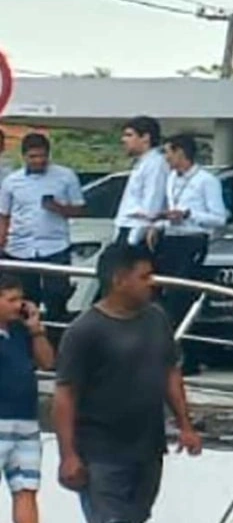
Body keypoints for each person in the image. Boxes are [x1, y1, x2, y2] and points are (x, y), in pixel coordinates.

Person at [53, 243, 202, 523]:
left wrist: (186, 425)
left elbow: (171, 372)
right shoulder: (84, 330)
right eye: (144, 277)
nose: (152, 284)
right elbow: (65, 394)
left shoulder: (157, 318)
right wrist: (68, 454)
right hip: (101, 451)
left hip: (147, 446)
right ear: (119, 280)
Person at [148, 134, 228, 376]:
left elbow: (219, 217)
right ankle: (172, 352)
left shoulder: (206, 181)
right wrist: (159, 224)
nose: (166, 158)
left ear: (181, 153)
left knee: (182, 297)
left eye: (169, 153)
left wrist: (189, 214)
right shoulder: (172, 178)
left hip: (193, 240)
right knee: (163, 296)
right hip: (171, 239)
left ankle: (189, 356)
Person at [0, 133, 85, 320]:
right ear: (24, 157)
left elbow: (80, 210)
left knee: (57, 296)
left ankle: (54, 337)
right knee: (24, 302)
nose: (38, 161)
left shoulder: (65, 176)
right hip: (20, 248)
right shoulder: (11, 181)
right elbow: (4, 216)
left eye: (42, 156)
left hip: (55, 246)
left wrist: (58, 208)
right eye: (33, 157)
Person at [0, 276, 55, 523]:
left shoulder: (21, 331)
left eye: (20, 299)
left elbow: (47, 362)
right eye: (11, 300)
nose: (17, 305)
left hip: (26, 421)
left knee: (26, 488)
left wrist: (36, 328)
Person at [113, 116, 168, 247]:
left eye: (129, 135)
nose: (124, 140)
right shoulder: (142, 163)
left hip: (135, 230)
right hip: (127, 226)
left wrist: (135, 238)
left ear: (145, 138)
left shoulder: (156, 164)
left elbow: (152, 201)